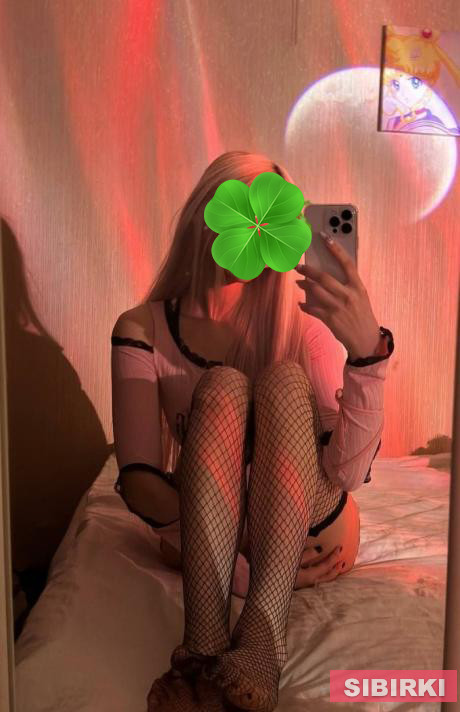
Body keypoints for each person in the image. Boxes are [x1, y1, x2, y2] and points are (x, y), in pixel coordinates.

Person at [110, 150, 394, 712]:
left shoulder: (300, 321)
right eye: (239, 209)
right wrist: (237, 562)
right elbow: (138, 479)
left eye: (272, 217)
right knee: (221, 388)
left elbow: (346, 472)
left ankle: (263, 639)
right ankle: (204, 643)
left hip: (312, 525)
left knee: (284, 381)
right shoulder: (143, 328)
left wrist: (366, 356)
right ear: (204, 214)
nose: (255, 229)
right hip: (211, 527)